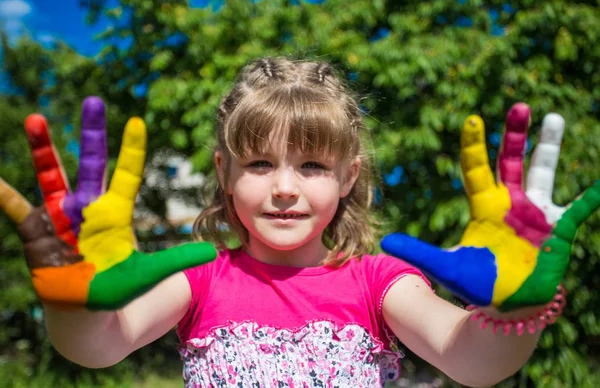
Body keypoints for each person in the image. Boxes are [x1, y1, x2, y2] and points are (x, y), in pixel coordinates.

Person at [1, 57, 598, 388]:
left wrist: (517, 308)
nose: (285, 187)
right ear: (224, 172)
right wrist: (72, 302)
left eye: (312, 165)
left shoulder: (379, 281)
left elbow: (472, 360)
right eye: (260, 163)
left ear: (347, 178)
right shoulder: (201, 278)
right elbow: (98, 348)